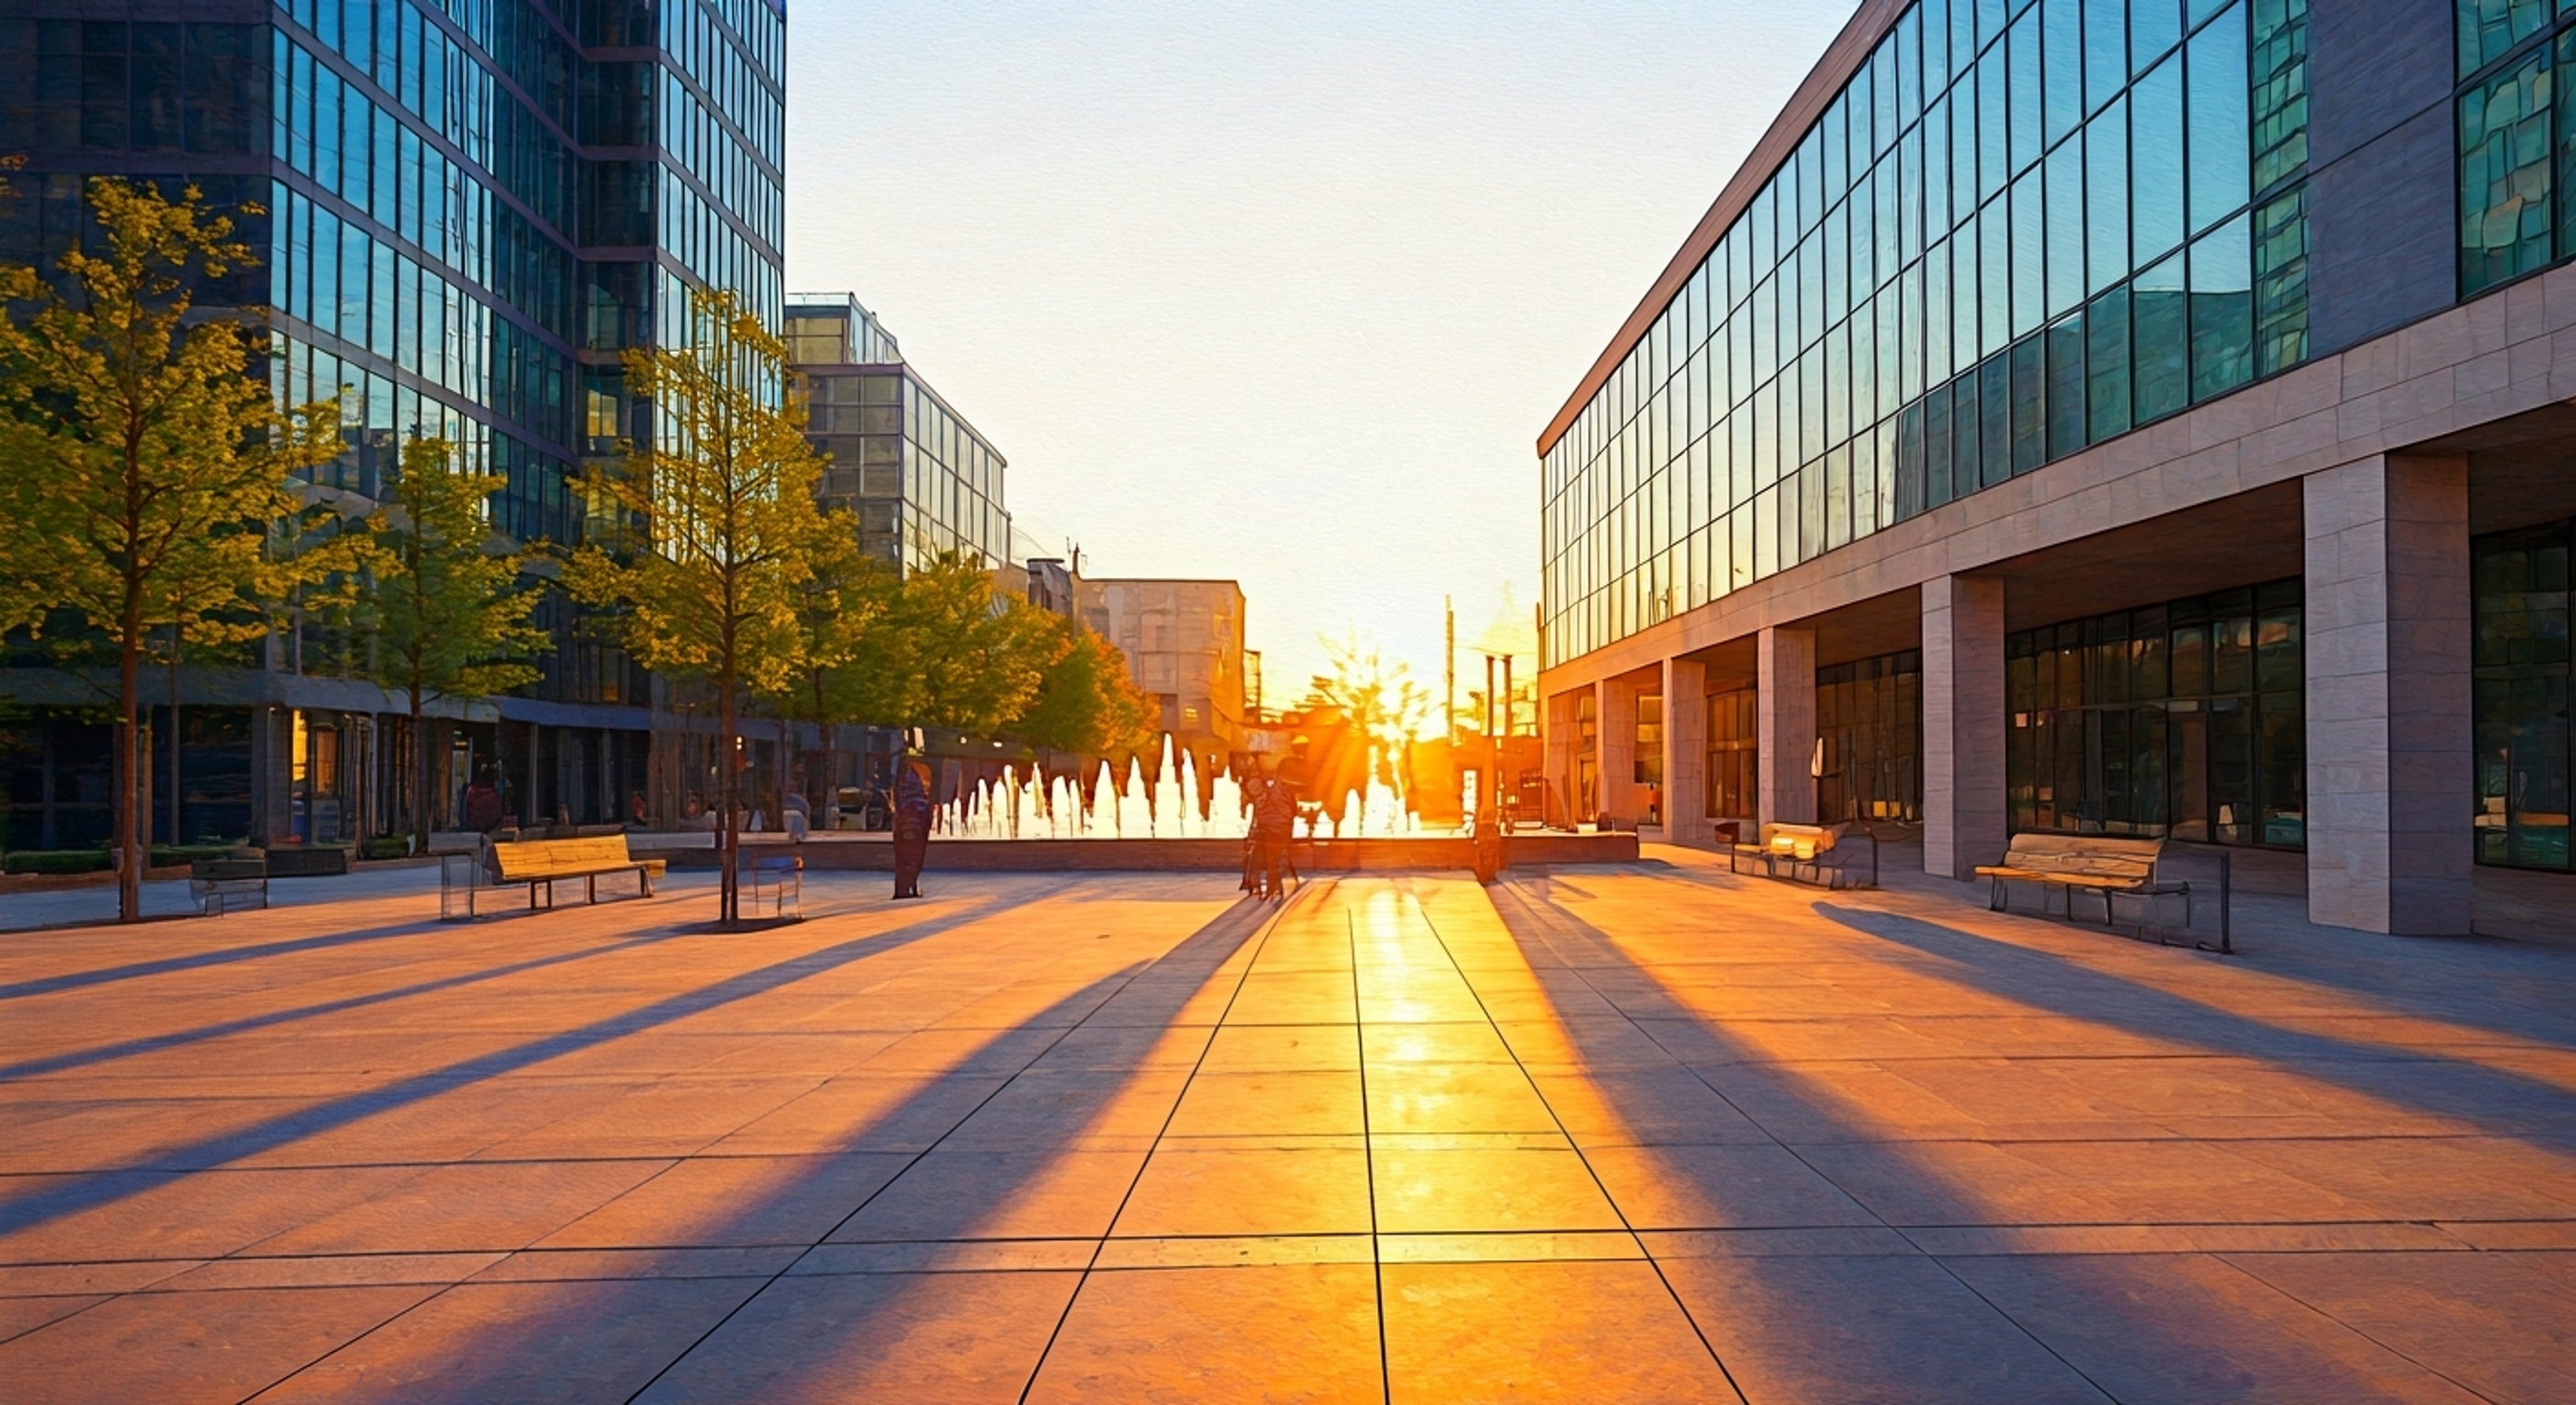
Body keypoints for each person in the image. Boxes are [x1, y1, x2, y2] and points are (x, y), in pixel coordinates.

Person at [1248, 769, 1297, 901]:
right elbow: (1293, 813)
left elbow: (1257, 816)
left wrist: (1252, 833)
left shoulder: (1261, 795)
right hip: (1279, 832)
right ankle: (1273, 888)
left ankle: (1257, 887)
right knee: (1272, 860)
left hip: (1266, 831)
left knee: (1256, 859)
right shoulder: (1286, 793)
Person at [891, 758, 933, 899]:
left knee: (903, 860)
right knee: (914, 859)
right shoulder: (919, 800)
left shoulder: (903, 796)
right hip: (916, 831)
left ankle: (903, 889)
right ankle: (908, 887)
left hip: (903, 829)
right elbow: (925, 818)